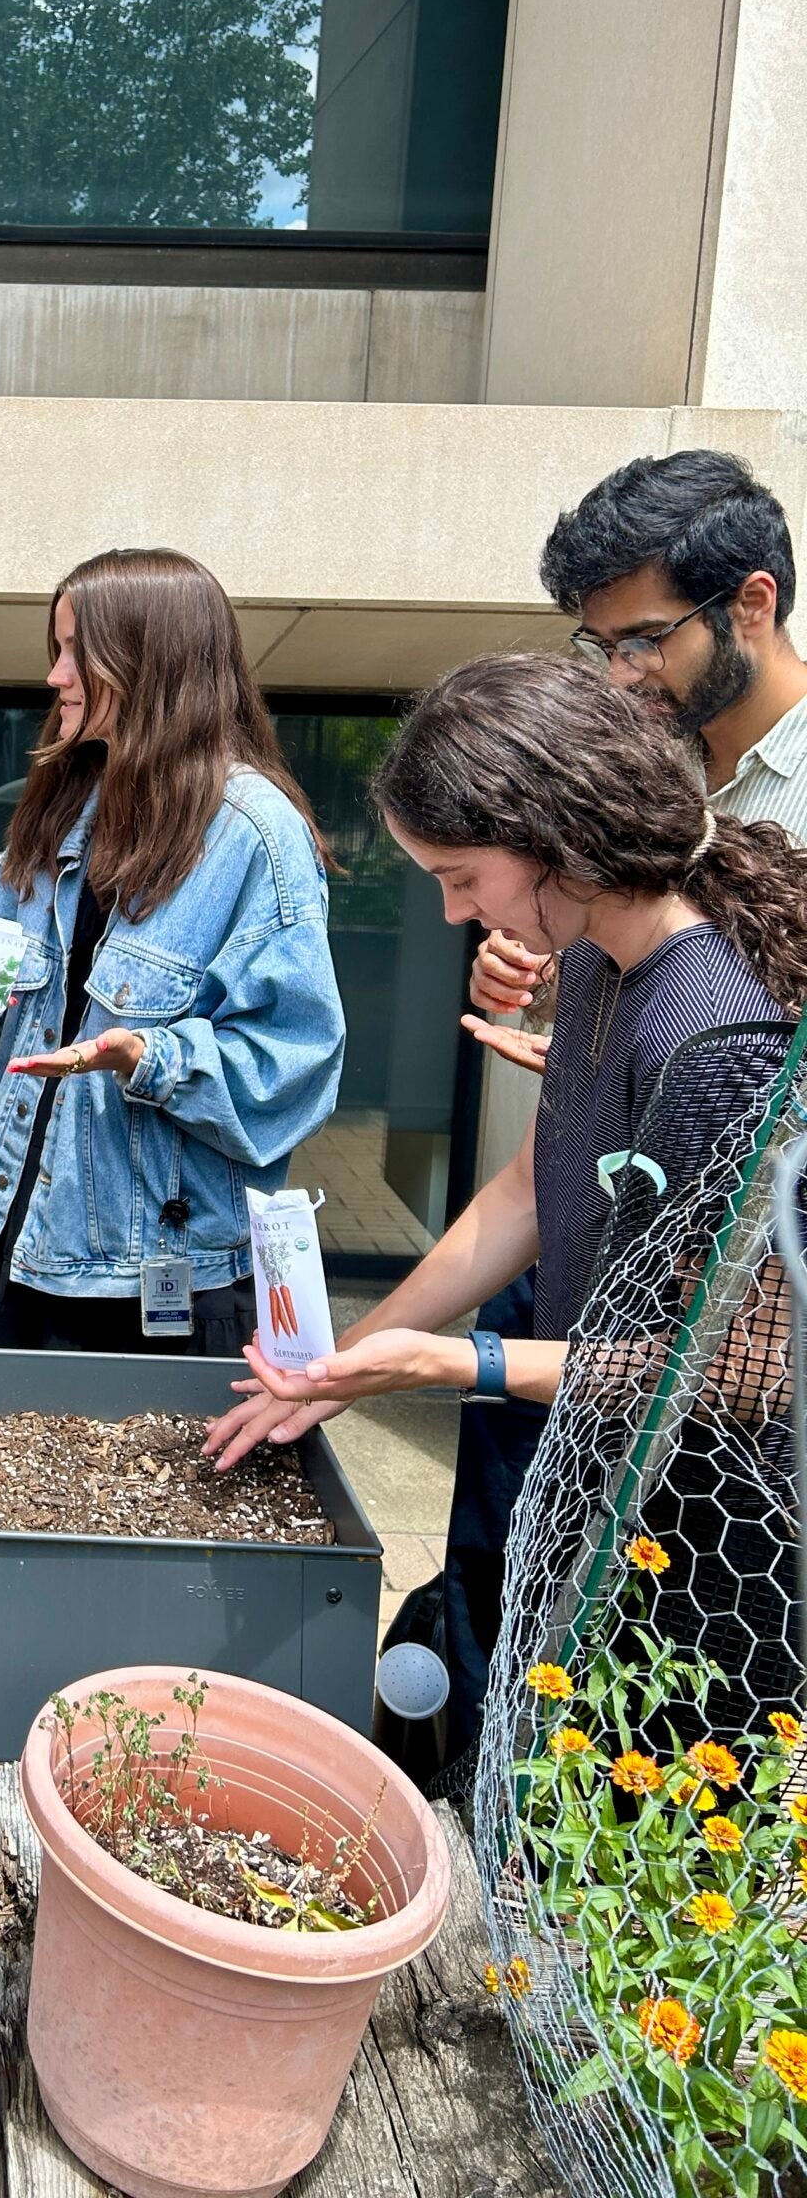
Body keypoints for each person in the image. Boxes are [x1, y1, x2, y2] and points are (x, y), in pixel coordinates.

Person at [206, 652, 807, 1752]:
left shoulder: (716, 1037)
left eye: (460, 874)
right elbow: (530, 1191)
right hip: (600, 1487)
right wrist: (343, 1367)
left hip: (701, 1555)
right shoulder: (589, 962)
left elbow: (738, 1372)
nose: (450, 911)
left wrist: (457, 1364)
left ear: (560, 839)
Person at [0, 549, 344, 1356]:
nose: (55, 677)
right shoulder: (59, 802)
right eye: (54, 652)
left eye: (74, 653)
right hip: (9, 1245)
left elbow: (292, 1070)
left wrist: (147, 1058)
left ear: (150, 662)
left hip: (155, 1279)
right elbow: (3, 955)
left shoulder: (256, 836)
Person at [469, 449, 807, 1072]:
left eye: (644, 641)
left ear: (754, 604)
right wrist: (548, 965)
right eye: (604, 647)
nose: (622, 676)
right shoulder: (636, 761)